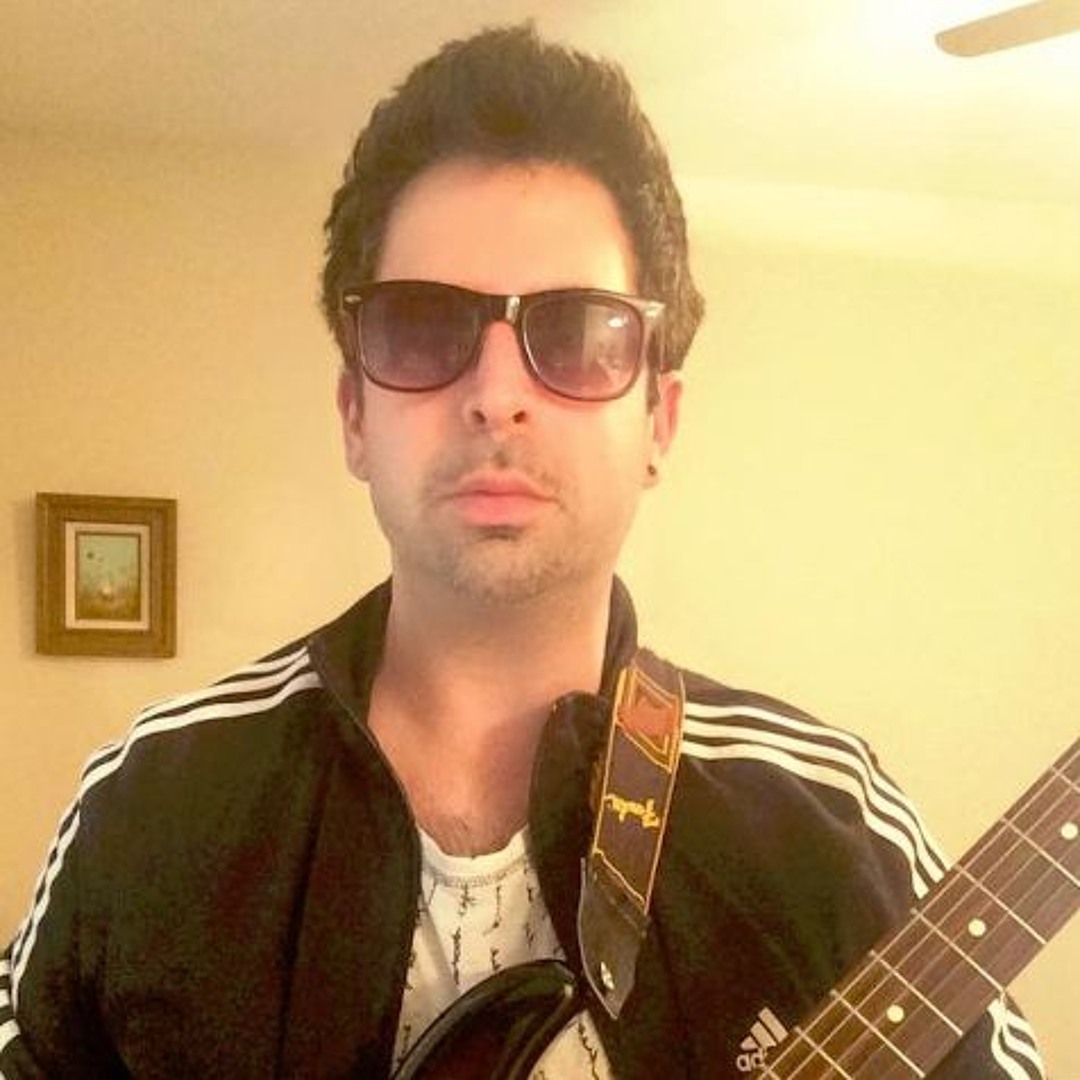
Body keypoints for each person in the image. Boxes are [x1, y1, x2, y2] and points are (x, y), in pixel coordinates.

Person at [0, 23, 1046, 1080]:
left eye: (579, 334)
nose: (497, 395)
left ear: (659, 421)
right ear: (355, 414)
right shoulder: (150, 802)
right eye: (421, 327)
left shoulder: (833, 827)